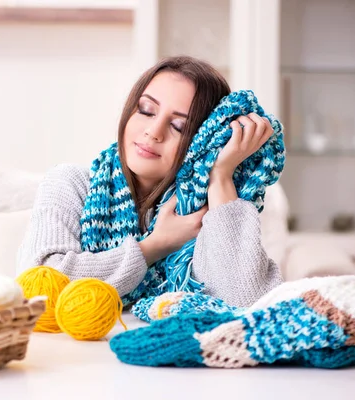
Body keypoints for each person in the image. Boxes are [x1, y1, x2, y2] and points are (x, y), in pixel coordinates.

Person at [17, 56, 283, 307]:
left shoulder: (203, 209)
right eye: (146, 110)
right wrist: (155, 246)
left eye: (178, 126)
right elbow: (42, 285)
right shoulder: (70, 183)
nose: (153, 132)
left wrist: (220, 174)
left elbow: (244, 299)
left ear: (201, 143)